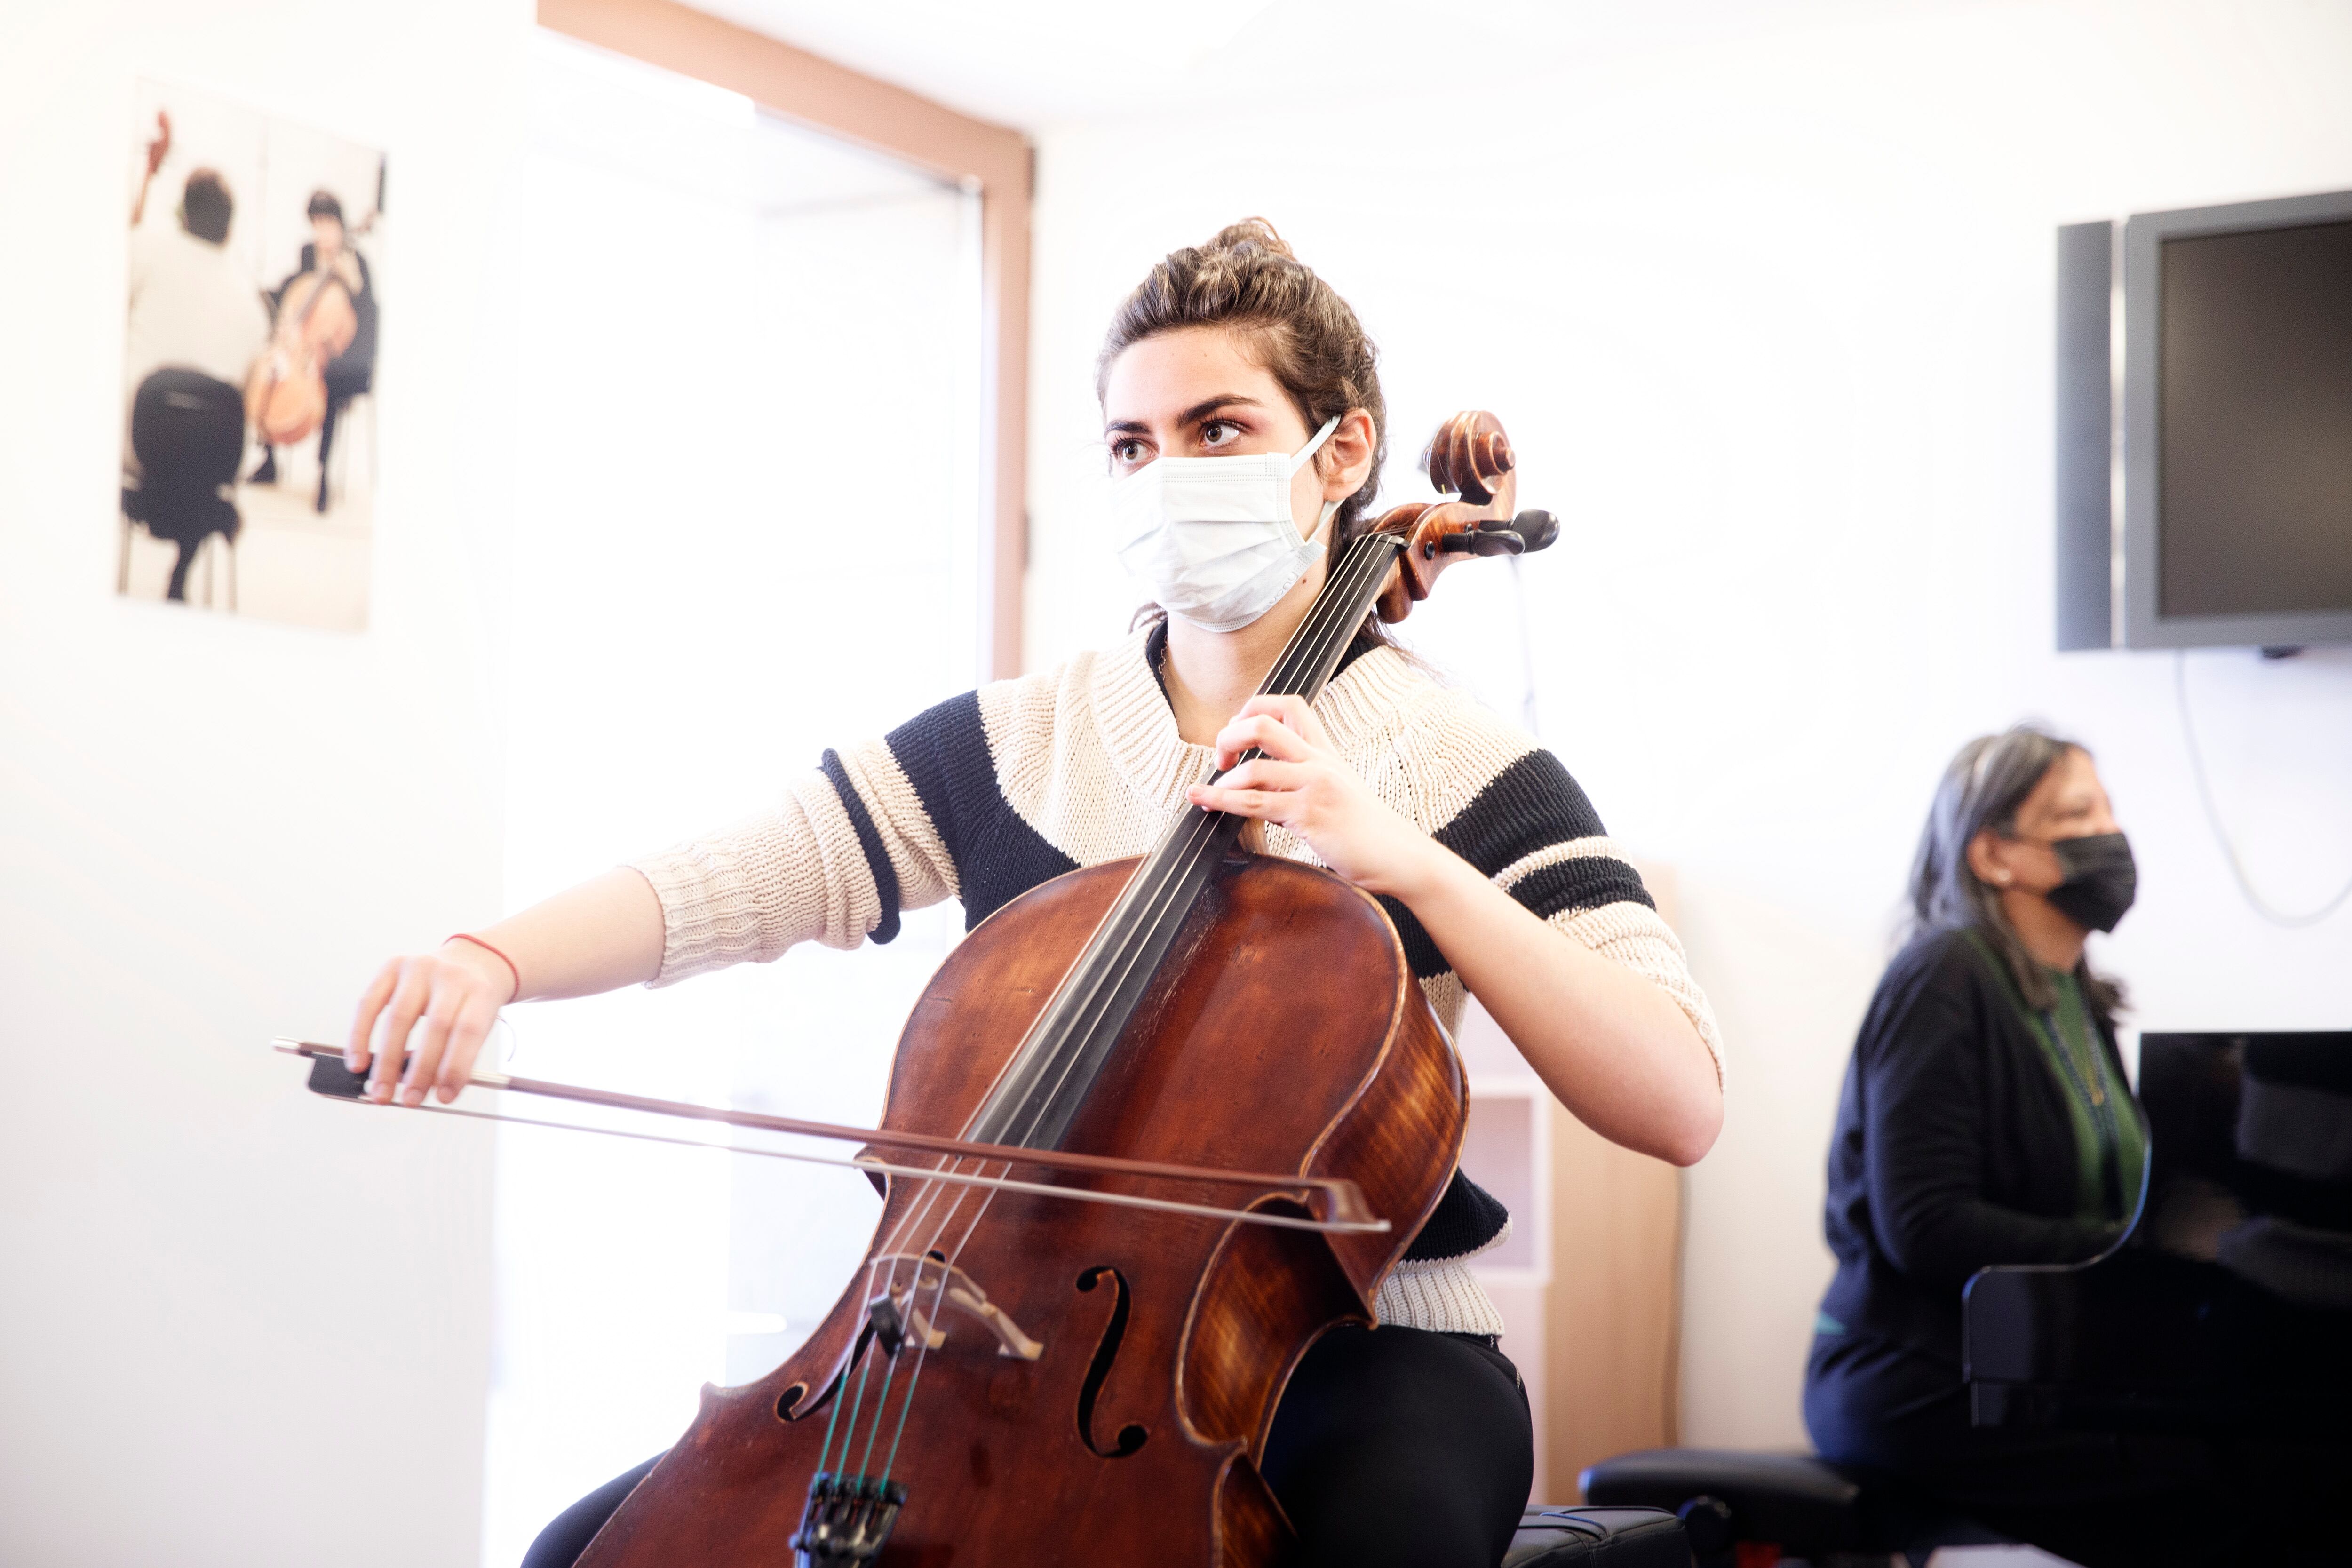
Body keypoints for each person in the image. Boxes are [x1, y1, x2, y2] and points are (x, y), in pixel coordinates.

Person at [349, 221, 1724, 1568]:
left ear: (1340, 450)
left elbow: (1674, 1096)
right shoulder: (1020, 737)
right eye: (1133, 443)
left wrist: (1408, 860)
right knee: (581, 1550)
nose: (1167, 471)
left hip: (1363, 1352)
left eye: (1218, 429)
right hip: (971, 1336)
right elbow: (742, 874)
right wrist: (492, 960)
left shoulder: (1459, 761)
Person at [1802, 724, 2233, 1565]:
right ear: (1995, 854)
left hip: (2030, 1369)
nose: (2111, 833)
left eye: (2109, 808)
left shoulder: (2082, 998)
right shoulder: (1944, 972)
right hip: (1917, 1376)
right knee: (2223, 1483)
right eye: (2079, 813)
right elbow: (1926, 1226)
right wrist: (2138, 1263)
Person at [122, 167, 270, 601]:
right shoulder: (252, 308)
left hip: (136, 452)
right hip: (210, 474)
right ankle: (184, 567)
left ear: (183, 214)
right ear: (229, 228)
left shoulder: (145, 253)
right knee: (203, 436)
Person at [252, 189, 376, 512]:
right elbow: (296, 291)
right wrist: (280, 313)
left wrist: (355, 285)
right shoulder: (309, 254)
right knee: (275, 371)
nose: (322, 231)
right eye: (317, 223)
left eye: (328, 222)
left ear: (340, 224)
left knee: (332, 386)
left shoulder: (356, 260)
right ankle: (269, 461)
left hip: (342, 355)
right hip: (306, 350)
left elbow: (367, 318)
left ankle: (323, 475)